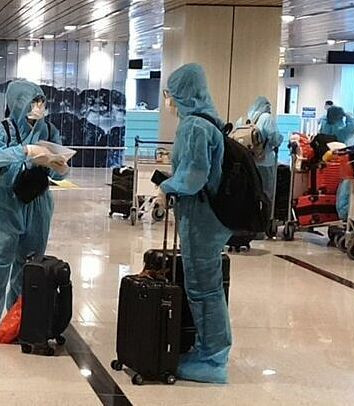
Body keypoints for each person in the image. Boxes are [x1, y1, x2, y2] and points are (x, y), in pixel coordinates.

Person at [0, 80, 69, 341]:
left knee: (29, 263)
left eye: (42, 101)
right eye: (33, 101)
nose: (39, 107)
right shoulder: (2, 130)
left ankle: (18, 317)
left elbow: (62, 165)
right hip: (6, 202)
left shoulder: (50, 130)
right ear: (18, 103)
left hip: (38, 203)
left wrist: (59, 164)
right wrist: (24, 151)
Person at [159, 63, 232, 384]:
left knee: (204, 289)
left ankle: (213, 359)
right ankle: (209, 349)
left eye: (171, 94)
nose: (169, 101)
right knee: (207, 286)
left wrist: (167, 186)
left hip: (201, 219)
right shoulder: (209, 122)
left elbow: (193, 177)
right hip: (208, 217)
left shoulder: (194, 127)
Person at [246, 96, 283, 206]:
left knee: (253, 193)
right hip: (265, 162)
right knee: (266, 193)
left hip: (251, 162)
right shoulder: (267, 118)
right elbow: (275, 139)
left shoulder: (250, 118)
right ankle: (265, 219)